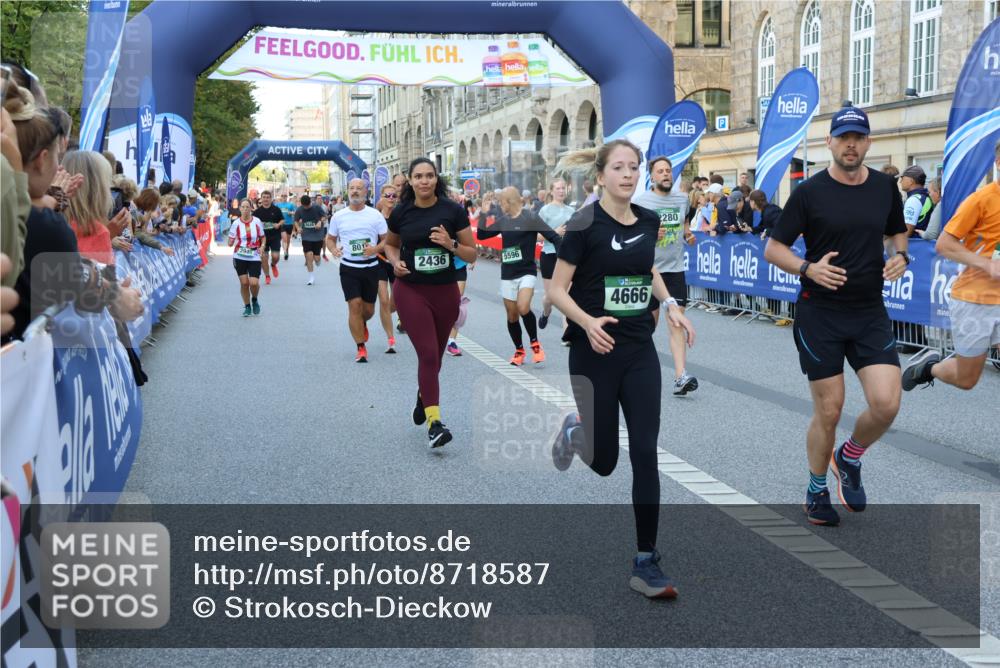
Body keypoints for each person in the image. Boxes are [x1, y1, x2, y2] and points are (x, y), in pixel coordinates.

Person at [547, 139, 695, 598]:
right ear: (600, 176)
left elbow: (647, 269)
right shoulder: (584, 223)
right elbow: (556, 289)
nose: (629, 175)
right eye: (619, 168)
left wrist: (669, 303)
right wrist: (588, 322)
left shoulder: (649, 220)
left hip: (637, 350)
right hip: (593, 350)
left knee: (645, 452)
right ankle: (577, 432)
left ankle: (646, 559)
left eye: (634, 168)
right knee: (606, 461)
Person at [764, 107, 909, 527]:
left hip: (868, 311)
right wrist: (808, 268)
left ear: (867, 143)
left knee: (886, 404)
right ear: (829, 142)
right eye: (843, 137)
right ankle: (815, 491)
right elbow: (774, 249)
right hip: (820, 312)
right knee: (830, 410)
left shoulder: (885, 187)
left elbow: (896, 230)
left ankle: (849, 457)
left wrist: (900, 254)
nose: (851, 144)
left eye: (858, 137)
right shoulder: (809, 192)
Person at [384, 157, 478, 448]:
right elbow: (390, 244)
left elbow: (472, 254)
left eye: (429, 175)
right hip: (411, 289)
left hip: (445, 292)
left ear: (437, 179)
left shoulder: (452, 210)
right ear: (410, 181)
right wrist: (396, 262)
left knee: (435, 358)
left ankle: (423, 396)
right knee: (427, 355)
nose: (424, 181)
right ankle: (435, 423)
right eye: (418, 176)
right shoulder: (402, 212)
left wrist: (450, 245)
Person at [902, 140, 1000, 393]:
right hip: (976, 299)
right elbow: (944, 244)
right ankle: (928, 368)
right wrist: (985, 264)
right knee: (967, 379)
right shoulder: (980, 200)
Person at [634, 156, 698, 395]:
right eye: (660, 171)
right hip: (649, 270)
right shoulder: (641, 201)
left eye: (668, 171)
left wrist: (688, 235)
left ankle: (681, 376)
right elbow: (634, 233)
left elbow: (685, 226)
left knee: (676, 323)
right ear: (652, 177)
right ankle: (636, 368)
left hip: (674, 270)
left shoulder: (681, 199)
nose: (665, 174)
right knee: (646, 327)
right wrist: (649, 234)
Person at [478, 186, 561, 366]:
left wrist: (564, 261)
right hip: (508, 273)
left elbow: (554, 237)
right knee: (512, 315)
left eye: (501, 202)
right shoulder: (503, 220)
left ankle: (535, 344)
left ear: (509, 202)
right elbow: (482, 236)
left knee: (523, 307)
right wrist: (484, 215)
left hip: (526, 272)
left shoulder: (530, 218)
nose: (499, 205)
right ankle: (519, 350)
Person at [327, 178, 388, 363]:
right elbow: (330, 239)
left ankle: (362, 323)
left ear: (365, 192)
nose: (355, 191)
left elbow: (387, 240)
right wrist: (333, 249)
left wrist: (375, 250)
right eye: (351, 188)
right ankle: (360, 347)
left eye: (359, 188)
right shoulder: (339, 216)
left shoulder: (375, 215)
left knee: (368, 310)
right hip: (349, 268)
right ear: (347, 191)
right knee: (355, 305)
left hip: (371, 267)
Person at [537, 178, 574, 334]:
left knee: (568, 296)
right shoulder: (544, 211)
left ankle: (567, 332)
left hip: (567, 256)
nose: (561, 191)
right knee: (551, 297)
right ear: (551, 191)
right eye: (558, 188)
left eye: (563, 188)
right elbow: (536, 236)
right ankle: (546, 313)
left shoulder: (572, 211)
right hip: (549, 255)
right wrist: (555, 233)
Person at [228, 198, 265, 316]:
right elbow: (231, 240)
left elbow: (262, 237)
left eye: (247, 207)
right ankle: (247, 306)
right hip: (239, 255)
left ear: (251, 208)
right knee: (244, 283)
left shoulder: (257, 221)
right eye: (242, 207)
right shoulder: (236, 223)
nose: (245, 209)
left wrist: (262, 246)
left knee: (254, 283)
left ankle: (254, 299)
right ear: (239, 209)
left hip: (254, 255)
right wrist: (230, 241)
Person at [374, 184, 400, 352]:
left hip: (397, 262)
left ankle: (386, 316)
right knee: (383, 300)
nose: (391, 198)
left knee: (396, 303)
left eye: (393, 196)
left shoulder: (401, 216)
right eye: (387, 195)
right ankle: (390, 338)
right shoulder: (374, 217)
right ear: (381, 198)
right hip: (379, 261)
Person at [252, 190, 285, 285]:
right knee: (264, 258)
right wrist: (259, 225)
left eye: (267, 197)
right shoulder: (257, 212)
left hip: (275, 236)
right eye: (264, 197)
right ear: (261, 199)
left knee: (276, 256)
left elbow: (282, 220)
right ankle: (267, 276)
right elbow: (252, 224)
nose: (266, 199)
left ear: (270, 199)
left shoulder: (276, 209)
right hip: (262, 238)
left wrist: (278, 224)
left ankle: (273, 264)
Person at [294, 194, 326, 285]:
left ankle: (318, 260)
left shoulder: (317, 207)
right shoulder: (299, 209)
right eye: (305, 206)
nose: (307, 207)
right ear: (302, 204)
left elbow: (324, 216)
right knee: (309, 255)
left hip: (317, 235)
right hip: (306, 235)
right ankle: (311, 277)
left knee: (316, 258)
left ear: (310, 202)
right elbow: (296, 220)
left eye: (308, 206)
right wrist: (298, 228)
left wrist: (320, 221)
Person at [276, 194, 296, 260]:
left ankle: (287, 251)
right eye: (282, 196)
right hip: (282, 224)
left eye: (285, 196)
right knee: (284, 238)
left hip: (289, 224)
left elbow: (295, 212)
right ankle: (284, 252)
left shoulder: (290, 204)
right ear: (281, 197)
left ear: (287, 197)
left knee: (288, 240)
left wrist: (291, 213)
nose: (284, 197)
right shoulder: (277, 205)